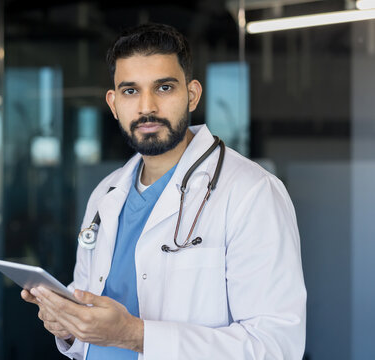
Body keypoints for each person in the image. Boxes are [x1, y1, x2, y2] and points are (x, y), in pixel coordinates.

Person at [22, 23, 306, 360]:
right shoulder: (106, 194)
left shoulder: (251, 192)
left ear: (192, 94)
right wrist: (68, 325)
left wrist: (136, 336)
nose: (147, 107)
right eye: (130, 91)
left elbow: (275, 348)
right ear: (113, 103)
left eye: (164, 87)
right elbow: (92, 302)